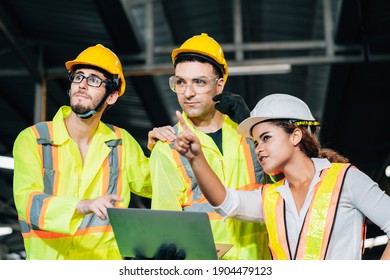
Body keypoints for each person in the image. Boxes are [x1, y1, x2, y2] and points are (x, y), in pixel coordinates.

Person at [173, 93, 390, 260]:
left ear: (295, 135)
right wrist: (196, 158)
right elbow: (225, 202)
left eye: (266, 138)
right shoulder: (271, 197)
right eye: (256, 142)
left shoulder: (347, 180)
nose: (258, 149)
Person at [12, 44, 152, 260]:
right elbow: (27, 203)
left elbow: (158, 184)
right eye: (79, 77)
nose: (83, 85)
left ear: (112, 96)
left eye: (94, 79)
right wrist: (81, 206)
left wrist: (163, 146)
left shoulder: (121, 142)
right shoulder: (34, 139)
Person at [148, 33, 271, 260]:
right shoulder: (167, 148)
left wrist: (256, 125)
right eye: (180, 82)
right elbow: (167, 229)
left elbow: (290, 184)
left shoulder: (250, 135)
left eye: (199, 82)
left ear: (219, 85)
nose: (188, 93)